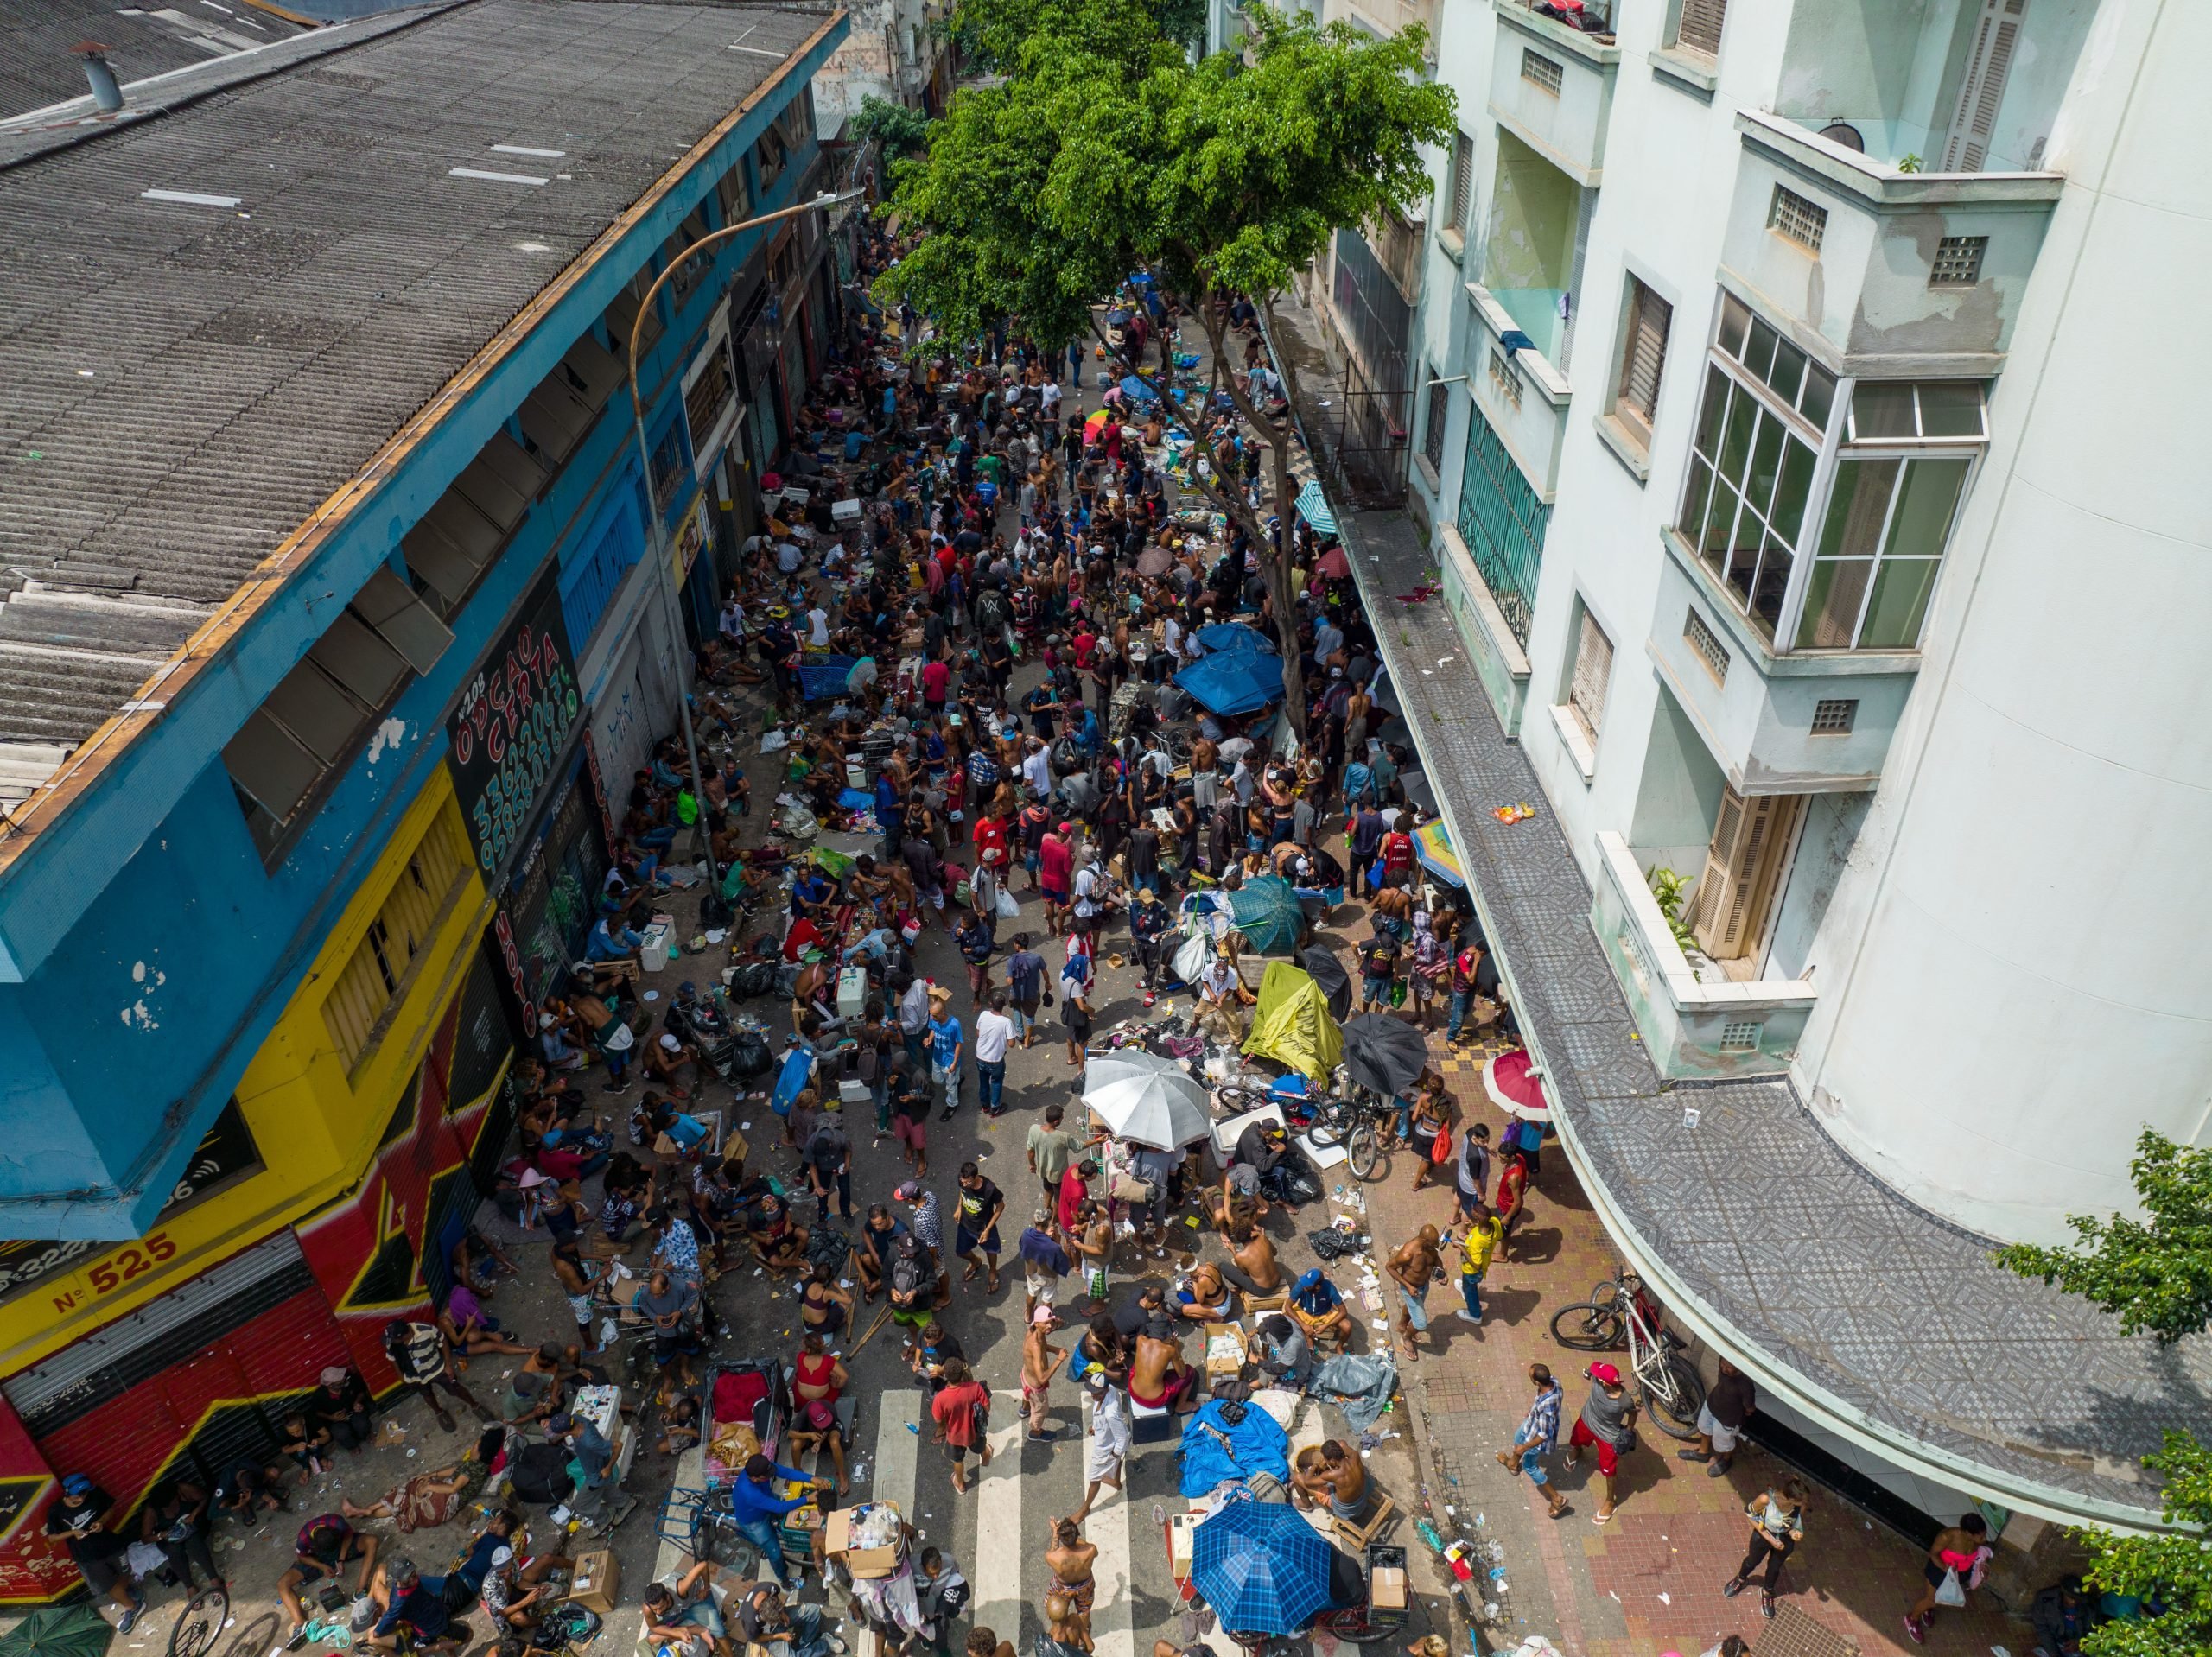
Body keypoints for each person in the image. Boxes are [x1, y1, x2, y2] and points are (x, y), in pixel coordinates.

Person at [48, 1476, 143, 1630]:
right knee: (107, 1586)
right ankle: (132, 1607)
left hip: (111, 1546)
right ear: (67, 1494)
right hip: (88, 1558)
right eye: (79, 1495)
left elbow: (110, 1509)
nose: (83, 1497)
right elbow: (52, 1537)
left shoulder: (95, 1494)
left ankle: (126, 1590)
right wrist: (72, 1533)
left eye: (85, 1493)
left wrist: (101, 1522)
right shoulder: (56, 1511)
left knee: (124, 1572)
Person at [728, 1453, 827, 1590]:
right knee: (775, 1553)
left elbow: (785, 1472)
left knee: (790, 1515)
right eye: (766, 1476)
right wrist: (807, 1499)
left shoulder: (761, 1469)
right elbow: (779, 1508)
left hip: (767, 1500)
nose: (770, 1476)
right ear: (755, 1478)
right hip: (755, 1522)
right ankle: (784, 1580)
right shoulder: (749, 1492)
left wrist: (811, 1478)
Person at [280, 1514, 379, 1647]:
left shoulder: (337, 1523)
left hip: (340, 1548)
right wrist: (322, 1566)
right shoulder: (304, 1538)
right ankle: (300, 1624)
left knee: (372, 1541)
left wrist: (341, 1559)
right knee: (282, 1584)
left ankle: (360, 1591)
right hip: (317, 1558)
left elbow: (348, 1536)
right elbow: (302, 1557)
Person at [1563, 1362, 1638, 1524]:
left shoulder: (1625, 1401)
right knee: (1576, 1439)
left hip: (1608, 1435)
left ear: (1605, 1383)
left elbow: (1632, 1415)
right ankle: (1577, 1450)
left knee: (1609, 1469)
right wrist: (1587, 1372)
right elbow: (1592, 1367)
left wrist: (1628, 1431)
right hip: (1587, 1419)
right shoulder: (1597, 1376)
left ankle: (1610, 1501)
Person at [383, 1317, 486, 1432]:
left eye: (394, 1340)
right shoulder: (392, 1343)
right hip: (415, 1376)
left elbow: (443, 1342)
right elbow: (393, 1359)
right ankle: (439, 1412)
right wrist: (401, 1377)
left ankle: (475, 1405)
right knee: (427, 1394)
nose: (391, 1342)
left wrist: (448, 1366)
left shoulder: (426, 1330)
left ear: (403, 1336)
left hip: (436, 1369)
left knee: (455, 1388)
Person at [1725, 1476, 1808, 1617]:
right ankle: (1741, 1579)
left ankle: (1767, 1591)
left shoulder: (1800, 1507)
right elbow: (1750, 1515)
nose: (1805, 1503)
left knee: (1775, 1567)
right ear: (1790, 1498)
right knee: (1752, 1560)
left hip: (1784, 1540)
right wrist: (1770, 1539)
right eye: (1802, 1500)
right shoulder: (1766, 1499)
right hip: (1763, 1535)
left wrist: (1795, 1533)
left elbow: (1795, 1525)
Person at [1494, 1364, 1571, 1520]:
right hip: (1531, 1424)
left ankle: (1557, 1499)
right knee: (1518, 1438)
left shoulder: (1547, 1407)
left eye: (1530, 1376)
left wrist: (1525, 1448)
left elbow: (1543, 1434)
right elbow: (1539, 1402)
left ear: (1537, 1382)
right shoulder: (1554, 1382)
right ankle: (1513, 1464)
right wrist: (1533, 1410)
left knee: (1531, 1467)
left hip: (1536, 1438)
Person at [1904, 1512, 1991, 1644]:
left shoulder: (1976, 1542)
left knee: (1941, 1597)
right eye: (1981, 1536)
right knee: (1931, 1600)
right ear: (1968, 1533)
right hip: (1939, 1570)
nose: (1984, 1539)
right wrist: (1945, 1568)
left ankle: (1928, 1611)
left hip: (1957, 1575)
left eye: (1984, 1535)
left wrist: (1982, 1566)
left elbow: (1978, 1556)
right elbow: (1933, 1554)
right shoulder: (1947, 1536)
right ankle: (1912, 1619)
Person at [642, 1558, 734, 1657]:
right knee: (652, 1637)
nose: (658, 1612)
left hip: (695, 1600)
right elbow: (654, 1627)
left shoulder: (681, 1588)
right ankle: (698, 1629)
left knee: (719, 1632)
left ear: (668, 1597)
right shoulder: (648, 1608)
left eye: (661, 1607)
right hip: (677, 1611)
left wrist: (706, 1589)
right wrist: (677, 1633)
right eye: (655, 1609)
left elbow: (703, 1565)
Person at [140, 1478, 219, 1592]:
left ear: (176, 1496)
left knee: (193, 1541)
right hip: (169, 1536)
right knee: (174, 1551)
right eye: (165, 1508)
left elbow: (205, 1497)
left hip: (194, 1525)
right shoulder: (152, 1510)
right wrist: (160, 1535)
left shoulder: (184, 1490)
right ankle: (190, 1587)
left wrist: (194, 1514)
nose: (169, 1509)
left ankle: (214, 1578)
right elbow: (145, 1539)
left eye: (171, 1505)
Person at [1071, 1373, 1129, 1525]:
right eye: (1092, 1391)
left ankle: (1085, 1508)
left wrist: (1112, 1455)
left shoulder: (1111, 1414)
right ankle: (1116, 1482)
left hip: (1104, 1450)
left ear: (1104, 1390)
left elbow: (1122, 1438)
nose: (1093, 1395)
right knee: (1115, 1464)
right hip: (1105, 1438)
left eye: (1097, 1393)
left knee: (1094, 1479)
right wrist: (1097, 1428)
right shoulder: (1111, 1388)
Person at [369, 1559, 461, 1654]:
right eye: (408, 1577)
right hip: (428, 1627)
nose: (413, 1578)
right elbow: (378, 1632)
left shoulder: (414, 1581)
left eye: (412, 1573)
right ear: (399, 1581)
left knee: (446, 1639)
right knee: (462, 1636)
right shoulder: (398, 1601)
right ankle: (422, 1651)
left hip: (436, 1612)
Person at [930, 1358, 995, 1493]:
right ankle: (986, 1458)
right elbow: (987, 1407)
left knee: (957, 1460)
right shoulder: (975, 1387)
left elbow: (938, 1419)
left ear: (945, 1376)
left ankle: (960, 1484)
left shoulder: (940, 1398)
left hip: (955, 1435)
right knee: (981, 1447)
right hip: (975, 1430)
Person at [1684, 1358, 1756, 1476]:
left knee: (1724, 1444)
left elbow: (1750, 1407)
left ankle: (1727, 1460)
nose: (1723, 1369)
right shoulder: (1724, 1367)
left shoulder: (1746, 1384)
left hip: (1727, 1419)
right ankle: (1702, 1453)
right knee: (1704, 1429)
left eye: (1729, 1367)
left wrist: (1747, 1412)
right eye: (1722, 1364)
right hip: (1711, 1404)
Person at [1043, 1518, 1098, 1651]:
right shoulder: (1090, 1550)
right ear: (1077, 1534)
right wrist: (1077, 1540)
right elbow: (1092, 1551)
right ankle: (1080, 1637)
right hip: (1085, 1584)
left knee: (1057, 1610)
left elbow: (1052, 1551)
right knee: (1084, 1611)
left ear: (1062, 1539)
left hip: (1063, 1587)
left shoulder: (1053, 1557)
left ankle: (1060, 1633)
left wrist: (1055, 1532)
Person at [1384, 1226, 1441, 1355]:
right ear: (1424, 1240)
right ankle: (1406, 1338)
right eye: (1433, 1244)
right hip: (1411, 1288)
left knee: (1411, 1308)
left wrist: (1441, 1273)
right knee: (1421, 1323)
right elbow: (1389, 1267)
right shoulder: (1408, 1254)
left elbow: (1436, 1259)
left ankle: (1402, 1325)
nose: (1436, 1246)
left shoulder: (1431, 1248)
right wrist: (1408, 1286)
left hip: (1424, 1285)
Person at [914, 1548, 972, 1657]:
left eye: (938, 1571)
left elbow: (955, 1575)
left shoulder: (949, 1561)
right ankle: (927, 1640)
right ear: (922, 1567)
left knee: (942, 1630)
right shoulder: (913, 1568)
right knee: (922, 1629)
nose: (936, 1577)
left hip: (941, 1608)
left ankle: (942, 1650)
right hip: (922, 1610)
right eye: (931, 1574)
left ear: (941, 1561)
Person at [1021, 1305, 1067, 1441]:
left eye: (1050, 1322)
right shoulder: (1035, 1345)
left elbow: (1043, 1346)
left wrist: (1055, 1350)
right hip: (1036, 1387)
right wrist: (1059, 1359)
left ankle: (1024, 1409)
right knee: (1041, 1411)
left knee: (1027, 1396)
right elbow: (1041, 1378)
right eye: (1045, 1323)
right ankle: (1035, 1433)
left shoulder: (1033, 1331)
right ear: (1037, 1323)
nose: (1049, 1326)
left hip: (1026, 1378)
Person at [1456, 1203, 1504, 1325]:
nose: (1470, 1218)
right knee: (1468, 1284)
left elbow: (1476, 1265)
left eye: (1473, 1217)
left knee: (1471, 1291)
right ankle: (1465, 1287)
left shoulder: (1478, 1240)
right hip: (1485, 1264)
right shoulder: (1494, 1222)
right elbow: (1499, 1235)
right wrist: (1474, 1227)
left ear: (1478, 1219)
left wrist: (1461, 1247)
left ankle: (1475, 1315)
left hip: (1472, 1271)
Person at [1027, 1104, 1081, 1209]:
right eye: (1061, 1117)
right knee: (1059, 1198)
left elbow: (1030, 1151)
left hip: (1043, 1171)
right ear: (1056, 1121)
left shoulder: (1034, 1129)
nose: (1063, 1118)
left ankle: (1046, 1208)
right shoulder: (1063, 1137)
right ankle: (1054, 1220)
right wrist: (1097, 1141)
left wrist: (1033, 1165)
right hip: (1058, 1176)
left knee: (1048, 1189)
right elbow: (1079, 1146)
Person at [309, 1365, 375, 1452]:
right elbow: (317, 1412)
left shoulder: (349, 1380)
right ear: (330, 1385)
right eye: (339, 1380)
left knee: (361, 1423)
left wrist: (357, 1402)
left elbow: (361, 1392)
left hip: (354, 1413)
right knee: (340, 1433)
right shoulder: (320, 1395)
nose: (344, 1378)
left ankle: (366, 1435)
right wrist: (331, 1417)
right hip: (337, 1421)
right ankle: (352, 1446)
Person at [1288, 1267, 1354, 1351]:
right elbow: (1288, 1306)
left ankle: (1339, 1346)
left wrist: (1326, 1326)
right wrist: (1302, 1324)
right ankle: (1308, 1338)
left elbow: (1343, 1312)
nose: (1304, 1288)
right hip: (1305, 1313)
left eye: (1308, 1286)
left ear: (1317, 1287)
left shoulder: (1330, 1288)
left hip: (1325, 1314)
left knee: (1347, 1326)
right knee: (1285, 1316)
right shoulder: (1301, 1285)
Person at [974, 990, 1016, 1115]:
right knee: (996, 1082)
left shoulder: (983, 1015)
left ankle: (985, 1105)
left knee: (983, 1080)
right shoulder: (1006, 1022)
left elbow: (978, 1032)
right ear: (1004, 1005)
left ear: (990, 1003)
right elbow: (1012, 1044)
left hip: (980, 1056)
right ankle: (995, 1107)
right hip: (996, 1060)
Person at [928, 985, 965, 1120]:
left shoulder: (954, 1025)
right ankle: (957, 1080)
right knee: (937, 1080)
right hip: (937, 1057)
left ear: (943, 1012)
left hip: (949, 1060)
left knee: (950, 1086)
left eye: (935, 1015)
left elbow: (959, 1043)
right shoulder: (933, 1020)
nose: (932, 1018)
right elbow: (932, 1029)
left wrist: (954, 1063)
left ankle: (952, 1105)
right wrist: (929, 1039)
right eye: (931, 1015)